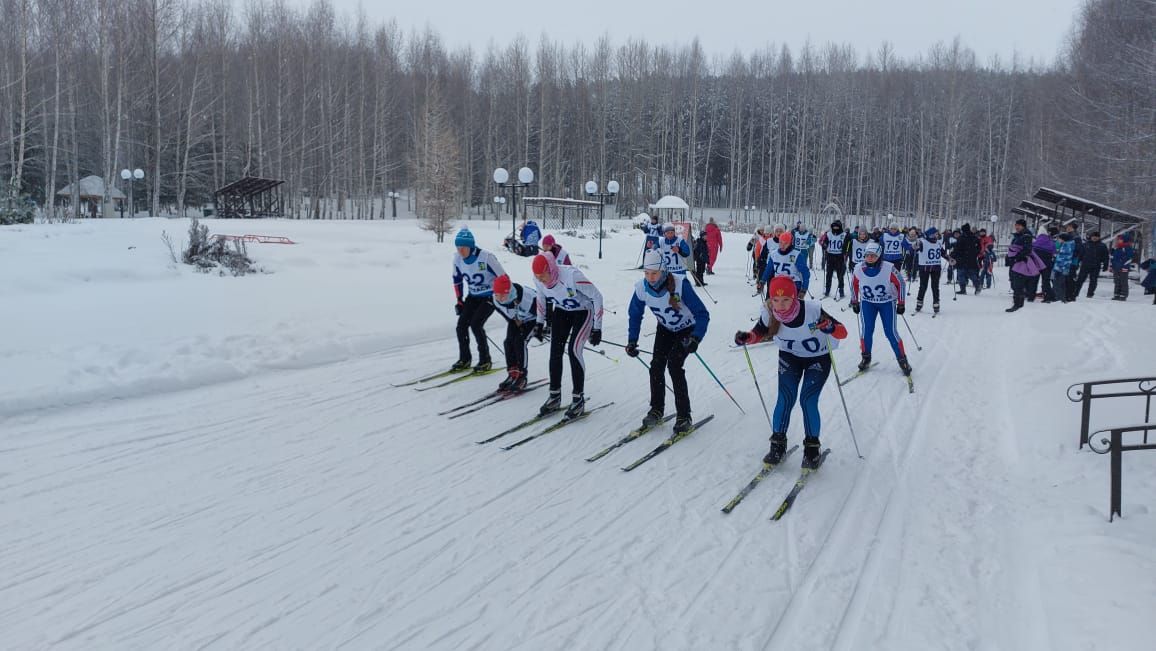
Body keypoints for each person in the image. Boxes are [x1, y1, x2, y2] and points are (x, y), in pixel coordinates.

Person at [734, 276, 848, 469]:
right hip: (790, 357)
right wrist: (746, 338)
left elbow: (842, 332)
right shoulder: (769, 311)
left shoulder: (812, 310)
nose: (781, 305)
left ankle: (812, 448)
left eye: (786, 299)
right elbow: (758, 334)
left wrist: (830, 328)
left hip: (817, 359)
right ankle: (777, 445)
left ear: (795, 297)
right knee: (785, 398)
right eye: (776, 300)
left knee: (807, 400)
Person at [626, 250, 711, 435]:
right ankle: (656, 409)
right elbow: (635, 314)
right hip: (665, 329)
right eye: (646, 273)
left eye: (654, 273)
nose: (650, 278)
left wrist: (696, 337)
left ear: (663, 271)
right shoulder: (641, 288)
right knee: (656, 366)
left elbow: (702, 314)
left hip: (687, 330)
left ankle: (684, 416)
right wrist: (632, 340)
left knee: (674, 365)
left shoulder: (680, 285)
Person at [532, 251, 604, 417]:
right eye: (538, 276)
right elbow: (541, 299)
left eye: (544, 275)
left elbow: (597, 296)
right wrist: (539, 323)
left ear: (551, 269)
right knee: (555, 352)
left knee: (574, 351)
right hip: (562, 312)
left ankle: (578, 399)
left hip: (583, 312)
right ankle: (554, 396)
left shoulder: (572, 276)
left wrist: (597, 327)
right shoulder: (538, 280)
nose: (542, 280)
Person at [850, 242, 911, 376]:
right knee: (866, 331)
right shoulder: (859, 268)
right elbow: (853, 284)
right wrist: (854, 301)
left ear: (879, 256)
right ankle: (866, 357)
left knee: (890, 332)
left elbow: (900, 283)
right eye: (867, 255)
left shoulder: (888, 268)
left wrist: (901, 303)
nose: (870, 258)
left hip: (886, 303)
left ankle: (902, 359)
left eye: (873, 255)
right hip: (868, 303)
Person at [451, 228, 506, 372]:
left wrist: (503, 297)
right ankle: (465, 359)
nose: (460, 251)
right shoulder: (457, 258)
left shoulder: (486, 257)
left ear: (471, 246)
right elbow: (457, 280)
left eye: (463, 247)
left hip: (490, 296)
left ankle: (485, 360)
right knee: (461, 326)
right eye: (458, 247)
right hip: (473, 296)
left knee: (476, 324)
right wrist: (459, 300)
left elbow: (503, 278)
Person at [491, 274, 538, 391]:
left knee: (520, 341)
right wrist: (517, 322)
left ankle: (522, 376)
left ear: (509, 292)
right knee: (508, 342)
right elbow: (505, 313)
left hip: (534, 319)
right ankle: (513, 373)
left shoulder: (527, 298)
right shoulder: (496, 300)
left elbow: (544, 312)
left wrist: (544, 328)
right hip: (517, 319)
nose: (499, 298)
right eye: (497, 295)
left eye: (502, 295)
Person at [1005, 218, 1044, 312]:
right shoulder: (1020, 235)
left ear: (1023, 226)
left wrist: (1017, 257)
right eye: (1016, 225)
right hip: (1017, 261)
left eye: (1018, 225)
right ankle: (1018, 304)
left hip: (1021, 262)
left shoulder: (1026, 236)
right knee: (1016, 282)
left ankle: (1017, 304)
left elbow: (1027, 249)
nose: (1016, 227)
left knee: (1017, 283)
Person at [758, 231, 811, 297]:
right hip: (778, 284)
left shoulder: (796, 255)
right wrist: (762, 280)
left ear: (790, 243)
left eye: (785, 243)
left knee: (790, 306)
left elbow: (805, 272)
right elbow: (768, 270)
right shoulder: (774, 254)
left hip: (793, 284)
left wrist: (804, 289)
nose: (782, 246)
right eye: (780, 243)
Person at [915, 227, 944, 313]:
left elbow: (943, 253)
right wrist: (914, 246)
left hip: (936, 267)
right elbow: (914, 248)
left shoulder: (938, 243)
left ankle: (936, 303)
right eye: (935, 234)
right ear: (930, 235)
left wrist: (949, 259)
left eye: (937, 234)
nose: (937, 235)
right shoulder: (923, 242)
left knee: (935, 286)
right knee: (923, 286)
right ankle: (919, 302)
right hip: (924, 267)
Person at [819, 220, 848, 298]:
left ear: (840, 227)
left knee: (840, 275)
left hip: (839, 257)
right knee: (829, 274)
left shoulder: (844, 235)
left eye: (837, 226)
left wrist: (846, 251)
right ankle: (827, 290)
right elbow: (824, 242)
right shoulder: (829, 234)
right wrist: (824, 245)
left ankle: (841, 290)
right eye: (834, 226)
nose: (835, 228)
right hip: (830, 256)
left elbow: (847, 244)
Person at [1075, 231, 1109, 298]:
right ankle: (1075, 293)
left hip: (1096, 266)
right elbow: (1080, 255)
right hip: (1085, 265)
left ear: (1099, 237)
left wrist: (1105, 264)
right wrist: (1077, 263)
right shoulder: (1085, 244)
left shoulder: (1102, 245)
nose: (1095, 238)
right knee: (1080, 279)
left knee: (1093, 280)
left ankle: (1090, 294)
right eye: (1093, 236)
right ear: (1091, 237)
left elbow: (1106, 256)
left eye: (1097, 237)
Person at [952, 223, 982, 295]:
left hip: (962, 259)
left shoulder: (961, 238)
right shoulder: (974, 237)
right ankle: (977, 286)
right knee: (971, 274)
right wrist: (975, 253)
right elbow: (979, 247)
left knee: (961, 274)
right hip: (971, 259)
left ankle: (963, 289)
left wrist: (952, 255)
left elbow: (957, 249)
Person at [1033, 226, 1058, 302]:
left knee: (1034, 279)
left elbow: (1032, 249)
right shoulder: (1051, 241)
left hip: (1037, 263)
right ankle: (1048, 295)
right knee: (1046, 280)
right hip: (1047, 263)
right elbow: (1054, 252)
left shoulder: (1037, 241)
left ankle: (1031, 294)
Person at [1052, 231, 1076, 304]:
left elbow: (1063, 257)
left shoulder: (1066, 246)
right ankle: (1061, 298)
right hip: (1063, 267)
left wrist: (1055, 255)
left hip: (1061, 268)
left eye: (1059, 238)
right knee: (1061, 284)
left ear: (1063, 239)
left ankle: (1059, 298)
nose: (1058, 240)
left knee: (1058, 283)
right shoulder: (1068, 244)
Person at [1110, 235, 1135, 301]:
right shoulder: (1117, 248)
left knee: (1123, 281)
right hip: (1116, 268)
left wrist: (1123, 264)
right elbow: (1113, 258)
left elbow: (1129, 258)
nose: (1118, 241)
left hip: (1124, 267)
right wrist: (1112, 265)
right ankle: (1116, 294)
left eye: (1120, 239)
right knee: (1117, 281)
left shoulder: (1127, 248)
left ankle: (1123, 295)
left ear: (1124, 240)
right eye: (1118, 240)